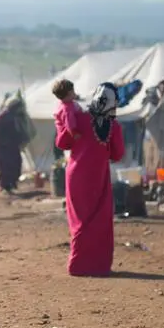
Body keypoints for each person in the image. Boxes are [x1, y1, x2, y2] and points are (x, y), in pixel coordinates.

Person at [55, 83, 125, 277]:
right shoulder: (113, 125)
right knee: (99, 220)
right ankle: (98, 266)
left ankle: (78, 265)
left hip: (76, 175)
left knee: (79, 220)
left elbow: (62, 142)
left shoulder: (77, 117)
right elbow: (118, 154)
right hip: (99, 177)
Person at [0, 96, 32, 193]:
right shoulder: (3, 117)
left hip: (12, 145)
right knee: (5, 166)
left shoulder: (14, 117)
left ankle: (12, 183)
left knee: (16, 164)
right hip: (3, 146)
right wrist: (5, 142)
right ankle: (5, 186)